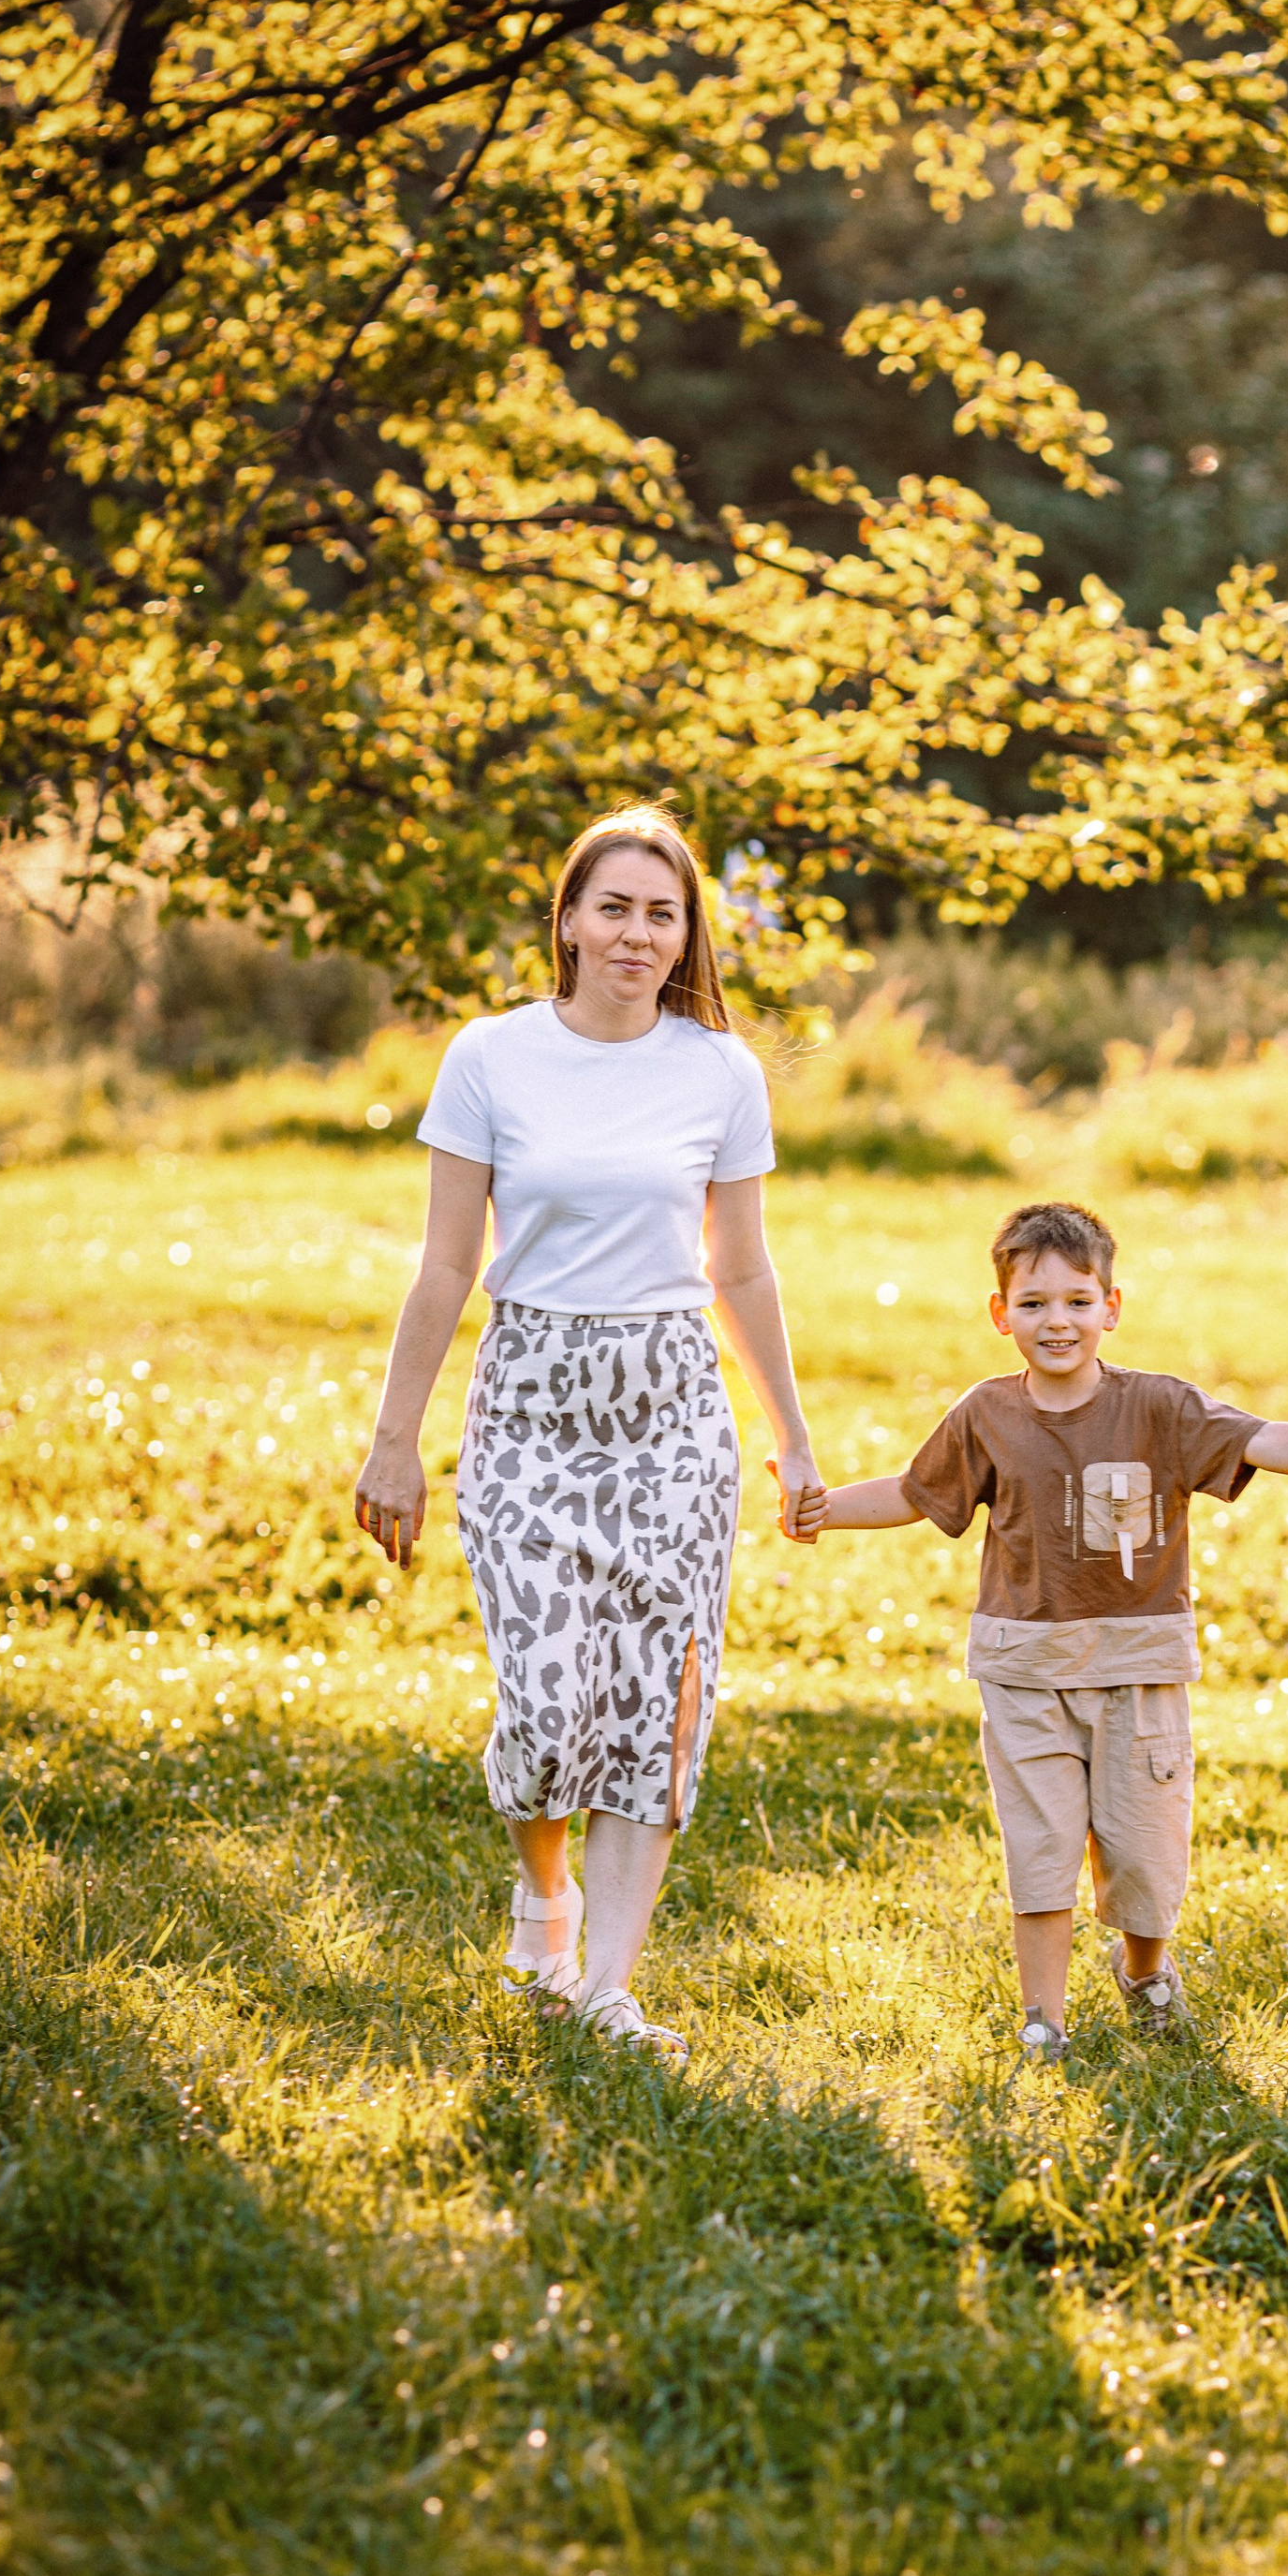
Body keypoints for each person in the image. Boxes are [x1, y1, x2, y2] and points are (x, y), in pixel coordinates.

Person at [351, 803, 819, 2068]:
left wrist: (794, 1435)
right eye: (613, 906)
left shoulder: (719, 1070)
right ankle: (543, 1901)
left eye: (660, 913)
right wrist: (395, 1438)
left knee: (659, 1701)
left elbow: (745, 1270)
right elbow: (448, 1264)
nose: (635, 932)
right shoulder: (492, 1058)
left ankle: (607, 1987)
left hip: (672, 1409)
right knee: (547, 1703)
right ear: (567, 920)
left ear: (685, 937)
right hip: (532, 1402)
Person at [793, 1199, 1288, 2065]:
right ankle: (1043, 2022)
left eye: (1075, 1301)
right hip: (1024, 1668)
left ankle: (1143, 1971)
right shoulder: (986, 1414)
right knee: (1043, 1845)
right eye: (1033, 1304)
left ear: (1112, 1306)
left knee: (1142, 1853)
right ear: (1001, 1315)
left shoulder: (1162, 1410)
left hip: (1139, 1667)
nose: (1055, 1321)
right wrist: (821, 1511)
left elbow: (1257, 1440)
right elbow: (916, 1495)